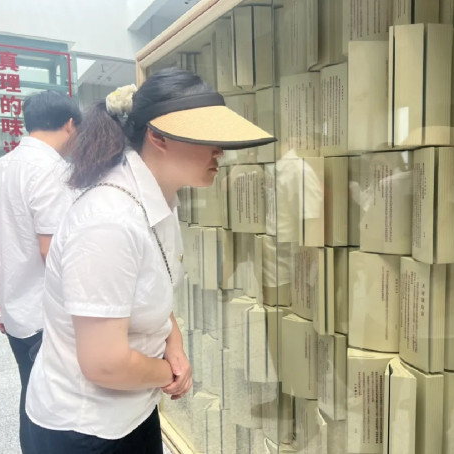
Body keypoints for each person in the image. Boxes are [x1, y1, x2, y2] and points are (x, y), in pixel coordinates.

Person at [26, 68, 276, 454]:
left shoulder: (158, 198)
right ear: (157, 137)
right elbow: (104, 363)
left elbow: (151, 287)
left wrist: (173, 343)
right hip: (86, 428)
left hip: (133, 408)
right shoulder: (107, 221)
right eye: (207, 138)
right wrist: (169, 371)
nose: (219, 152)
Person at [0, 90, 81, 454]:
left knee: (31, 398)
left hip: (16, 310)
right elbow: (51, 251)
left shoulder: (0, 167)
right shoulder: (52, 170)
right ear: (70, 124)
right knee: (57, 412)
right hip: (46, 316)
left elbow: (6, 237)